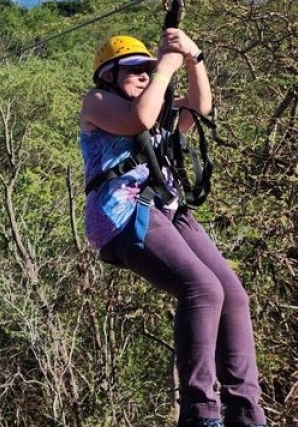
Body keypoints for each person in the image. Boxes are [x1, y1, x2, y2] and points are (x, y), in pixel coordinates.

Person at [79, 30, 267, 427]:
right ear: (108, 76)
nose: (146, 75)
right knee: (201, 288)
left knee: (232, 295)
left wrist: (192, 57)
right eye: (135, 70)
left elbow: (199, 107)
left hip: (168, 208)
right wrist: (166, 63)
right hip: (124, 213)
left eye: (148, 68)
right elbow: (138, 120)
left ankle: (246, 411)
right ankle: (201, 412)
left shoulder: (159, 104)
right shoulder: (97, 102)